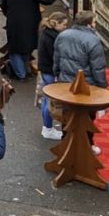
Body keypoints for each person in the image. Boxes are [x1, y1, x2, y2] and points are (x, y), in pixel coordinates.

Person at [53, 11, 108, 155]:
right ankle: (87, 146)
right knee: (87, 118)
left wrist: (56, 73)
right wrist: (103, 87)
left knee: (68, 115)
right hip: (86, 85)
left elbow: (57, 57)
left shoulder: (63, 35)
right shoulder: (92, 40)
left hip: (65, 82)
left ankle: (65, 144)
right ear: (89, 23)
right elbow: (98, 68)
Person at [0, 0, 61, 80]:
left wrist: (10, 14)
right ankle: (25, 69)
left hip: (14, 23)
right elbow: (47, 1)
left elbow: (3, 8)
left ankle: (21, 73)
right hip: (31, 23)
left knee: (14, 48)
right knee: (27, 45)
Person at [37, 12, 68, 140]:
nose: (65, 27)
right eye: (64, 24)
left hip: (45, 69)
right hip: (49, 71)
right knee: (50, 101)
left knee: (46, 99)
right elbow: (55, 57)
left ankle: (47, 127)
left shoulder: (46, 33)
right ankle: (48, 128)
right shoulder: (52, 38)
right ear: (56, 23)